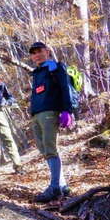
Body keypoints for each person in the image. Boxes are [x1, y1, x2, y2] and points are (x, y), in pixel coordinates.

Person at [29, 42, 72, 202]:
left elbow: (64, 88)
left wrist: (67, 111)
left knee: (50, 148)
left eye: (39, 51)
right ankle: (62, 185)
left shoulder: (56, 67)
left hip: (50, 112)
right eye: (33, 53)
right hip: (37, 114)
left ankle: (54, 187)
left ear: (47, 51)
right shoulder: (36, 73)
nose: (37, 55)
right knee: (45, 149)